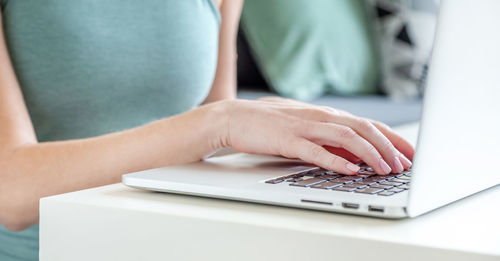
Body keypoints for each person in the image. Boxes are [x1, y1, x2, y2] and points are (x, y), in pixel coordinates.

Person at [0, 0, 413, 260]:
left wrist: (270, 129)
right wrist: (219, 122)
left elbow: (211, 139)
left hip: (183, 242)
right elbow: (12, 193)